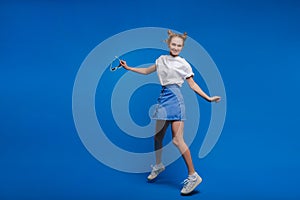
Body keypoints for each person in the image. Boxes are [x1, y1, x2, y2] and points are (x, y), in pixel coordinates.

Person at [119, 30, 221, 195]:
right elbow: (146, 71)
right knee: (158, 136)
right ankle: (159, 165)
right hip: (163, 98)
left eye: (179, 45)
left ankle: (193, 175)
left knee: (177, 140)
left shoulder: (184, 63)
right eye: (173, 44)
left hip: (175, 100)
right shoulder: (161, 60)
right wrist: (128, 67)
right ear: (168, 44)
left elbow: (193, 85)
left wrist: (208, 98)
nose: (176, 47)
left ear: (182, 47)